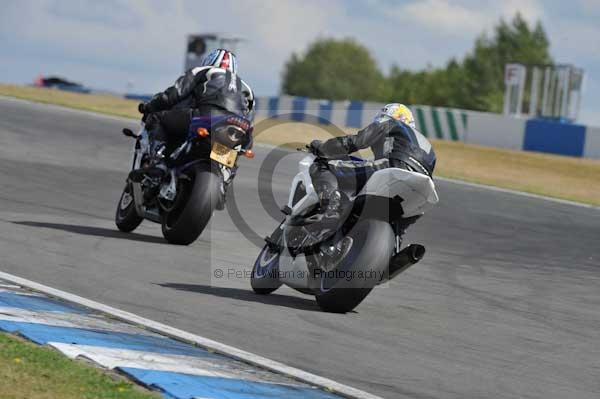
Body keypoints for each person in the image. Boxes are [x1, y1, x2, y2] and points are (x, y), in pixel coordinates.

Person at [131, 49, 255, 181]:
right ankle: (225, 179)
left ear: (209, 62)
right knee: (234, 156)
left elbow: (173, 95)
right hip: (239, 128)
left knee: (158, 117)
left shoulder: (203, 71)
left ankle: (158, 162)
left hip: (207, 118)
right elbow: (250, 118)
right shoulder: (247, 89)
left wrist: (150, 107)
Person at [308, 103, 436, 224]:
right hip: (423, 189)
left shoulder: (389, 122)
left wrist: (322, 147)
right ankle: (395, 244)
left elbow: (354, 142)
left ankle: (331, 209)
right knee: (399, 223)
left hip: (394, 166)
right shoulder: (426, 144)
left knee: (322, 165)